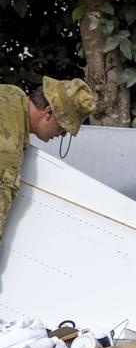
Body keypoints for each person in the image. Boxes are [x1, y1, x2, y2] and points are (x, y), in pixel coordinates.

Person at [0, 77, 97, 236]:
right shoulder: (9, 149)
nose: (63, 134)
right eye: (63, 127)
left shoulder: (11, 94)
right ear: (49, 112)